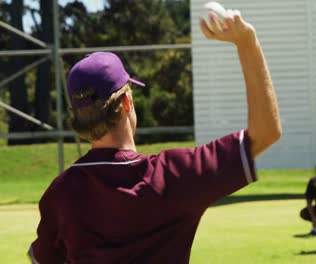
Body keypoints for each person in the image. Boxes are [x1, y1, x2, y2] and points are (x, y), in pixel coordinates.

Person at [29, 10, 281, 264]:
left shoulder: (60, 193)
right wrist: (247, 42)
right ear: (127, 102)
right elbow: (266, 132)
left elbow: (41, 258)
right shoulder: (172, 176)